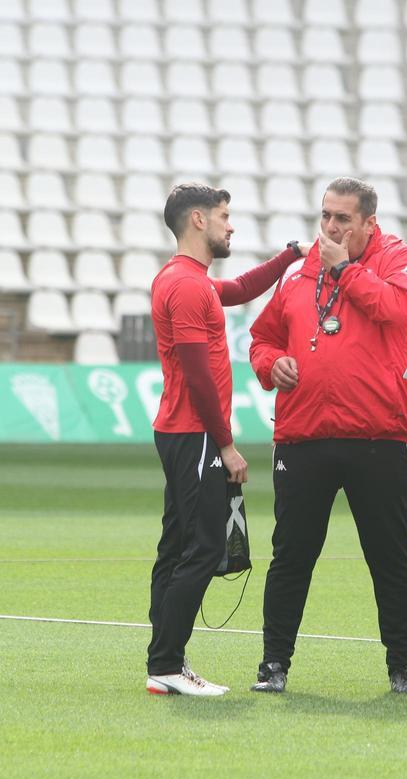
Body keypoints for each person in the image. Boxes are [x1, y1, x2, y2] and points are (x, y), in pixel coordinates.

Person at [247, 177, 407, 695]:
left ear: (370, 222)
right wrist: (269, 364)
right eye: (326, 215)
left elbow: (395, 309)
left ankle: (402, 665)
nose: (330, 227)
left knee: (389, 556)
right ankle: (273, 663)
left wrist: (343, 269)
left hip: (379, 434)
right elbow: (262, 336)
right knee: (291, 555)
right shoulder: (301, 272)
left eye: (343, 219)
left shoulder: (397, 259)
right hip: (304, 435)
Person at [147, 183, 310, 697]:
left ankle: (165, 662)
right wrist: (226, 445)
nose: (230, 224)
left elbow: (239, 288)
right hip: (196, 435)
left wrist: (288, 256)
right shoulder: (188, 287)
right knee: (203, 548)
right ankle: (168, 664)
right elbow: (197, 376)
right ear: (198, 220)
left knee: (176, 548)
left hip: (180, 432)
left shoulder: (185, 280)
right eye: (224, 215)